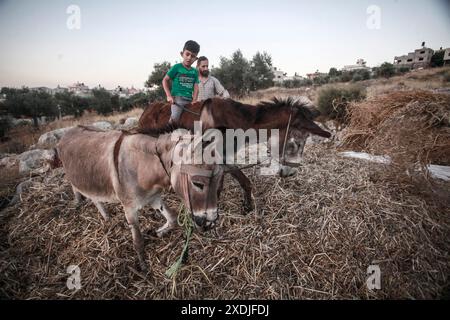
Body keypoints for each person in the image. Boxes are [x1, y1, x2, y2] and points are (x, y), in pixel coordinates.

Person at [162, 40, 200, 123]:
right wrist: (169, 95)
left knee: (198, 117)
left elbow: (196, 87)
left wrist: (194, 100)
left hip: (190, 100)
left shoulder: (195, 71)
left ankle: (197, 135)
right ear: (182, 54)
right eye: (187, 54)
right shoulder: (177, 67)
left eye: (193, 56)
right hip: (178, 99)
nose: (189, 58)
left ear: (196, 59)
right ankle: (168, 133)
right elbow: (165, 80)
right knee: (175, 118)